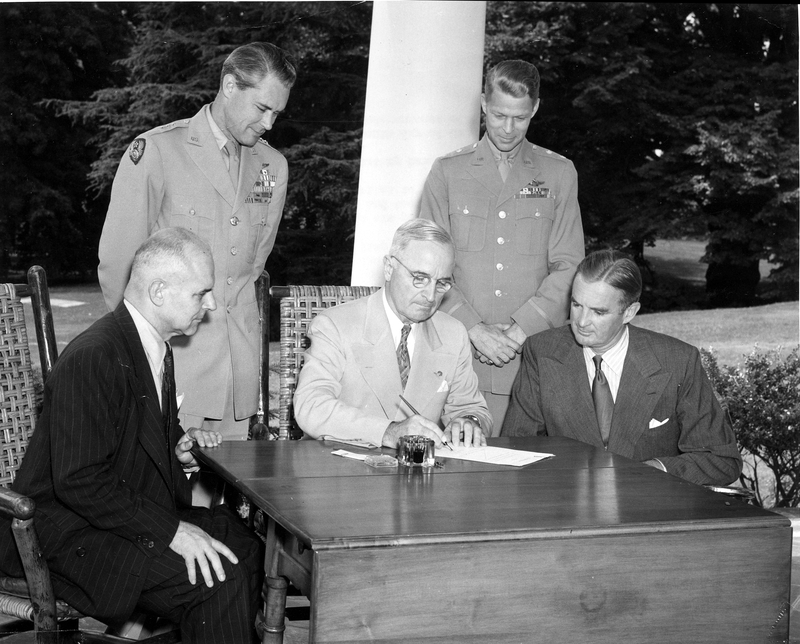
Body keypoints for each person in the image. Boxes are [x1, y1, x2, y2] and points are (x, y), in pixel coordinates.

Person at [0, 228, 262, 642]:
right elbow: (79, 479)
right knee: (218, 578)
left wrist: (178, 446)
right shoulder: (94, 357)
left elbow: (127, 433)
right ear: (159, 291)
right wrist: (174, 532)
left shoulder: (151, 344)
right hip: (66, 534)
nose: (211, 305)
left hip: (109, 517)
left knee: (245, 545)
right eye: (201, 293)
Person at [98, 42, 296, 440]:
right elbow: (118, 265)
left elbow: (252, 266)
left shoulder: (273, 166)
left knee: (227, 498)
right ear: (228, 85)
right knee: (163, 496)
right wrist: (140, 358)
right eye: (262, 108)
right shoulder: (157, 151)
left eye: (277, 113)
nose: (269, 124)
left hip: (236, 376)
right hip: (172, 366)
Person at [419, 59, 585, 431]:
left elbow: (569, 265)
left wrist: (519, 331)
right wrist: (475, 330)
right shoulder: (447, 172)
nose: (508, 129)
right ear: (482, 103)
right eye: (498, 115)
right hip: (458, 357)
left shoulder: (558, 173)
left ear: (535, 109)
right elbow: (425, 266)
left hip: (532, 359)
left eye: (520, 118)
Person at [502, 250, 743, 486]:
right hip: (566, 510)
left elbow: (720, 460)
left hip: (647, 513)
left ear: (629, 312)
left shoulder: (677, 361)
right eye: (577, 305)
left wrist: (656, 470)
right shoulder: (542, 352)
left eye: (599, 312)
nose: (582, 322)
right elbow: (515, 451)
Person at [294, 219, 492, 448]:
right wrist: (388, 432)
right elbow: (311, 406)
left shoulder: (453, 334)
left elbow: (473, 408)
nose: (430, 296)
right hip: (341, 470)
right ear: (389, 268)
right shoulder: (334, 326)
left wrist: (469, 422)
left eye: (441, 284)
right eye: (420, 278)